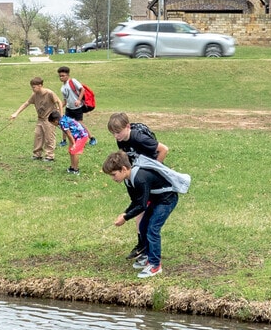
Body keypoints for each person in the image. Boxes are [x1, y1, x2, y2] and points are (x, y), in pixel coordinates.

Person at [103, 151, 180, 279]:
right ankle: (148, 257)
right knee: (143, 226)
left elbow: (142, 205)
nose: (113, 178)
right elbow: (136, 201)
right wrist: (125, 212)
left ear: (124, 169)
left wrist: (125, 218)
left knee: (152, 229)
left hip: (167, 199)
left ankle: (155, 265)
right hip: (156, 199)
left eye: (113, 174)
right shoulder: (128, 180)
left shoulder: (140, 178)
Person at [107, 112, 170, 261]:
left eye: (118, 132)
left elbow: (164, 149)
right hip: (136, 177)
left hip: (148, 178)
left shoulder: (138, 138)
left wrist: (152, 170)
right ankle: (142, 245)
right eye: (113, 133)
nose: (116, 136)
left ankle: (146, 248)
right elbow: (127, 159)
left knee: (143, 210)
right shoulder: (121, 140)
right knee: (139, 208)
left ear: (127, 127)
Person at [10, 77, 62, 162]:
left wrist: (60, 115)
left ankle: (50, 156)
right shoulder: (34, 94)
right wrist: (16, 113)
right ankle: (37, 154)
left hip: (49, 119)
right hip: (40, 119)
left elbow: (59, 102)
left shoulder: (49, 93)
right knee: (38, 136)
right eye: (32, 87)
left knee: (49, 137)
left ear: (40, 85)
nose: (33, 89)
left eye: (34, 87)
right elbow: (26, 103)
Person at [57, 66, 97, 146]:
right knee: (64, 124)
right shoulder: (62, 88)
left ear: (68, 75)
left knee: (80, 123)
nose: (61, 77)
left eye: (63, 76)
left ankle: (92, 138)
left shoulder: (72, 81)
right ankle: (64, 140)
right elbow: (65, 100)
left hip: (78, 108)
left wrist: (79, 100)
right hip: (69, 108)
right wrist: (59, 107)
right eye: (60, 76)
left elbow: (82, 89)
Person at [48, 110, 89, 175]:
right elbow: (69, 134)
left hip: (81, 136)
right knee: (71, 151)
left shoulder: (63, 122)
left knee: (75, 152)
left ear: (55, 121)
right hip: (75, 136)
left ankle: (76, 169)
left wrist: (74, 144)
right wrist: (71, 143)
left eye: (52, 123)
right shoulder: (63, 119)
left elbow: (69, 133)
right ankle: (72, 167)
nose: (53, 125)